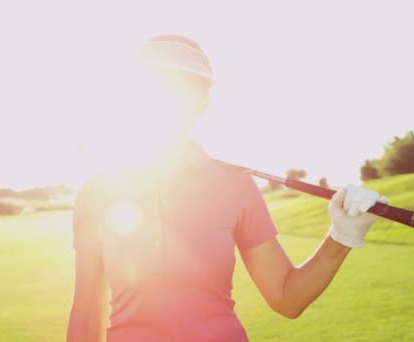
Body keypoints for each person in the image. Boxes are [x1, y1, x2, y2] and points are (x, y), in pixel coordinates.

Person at [67, 35, 387, 342]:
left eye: (182, 88)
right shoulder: (97, 192)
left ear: (202, 101)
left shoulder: (235, 185)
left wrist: (341, 238)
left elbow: (286, 298)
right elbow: (86, 312)